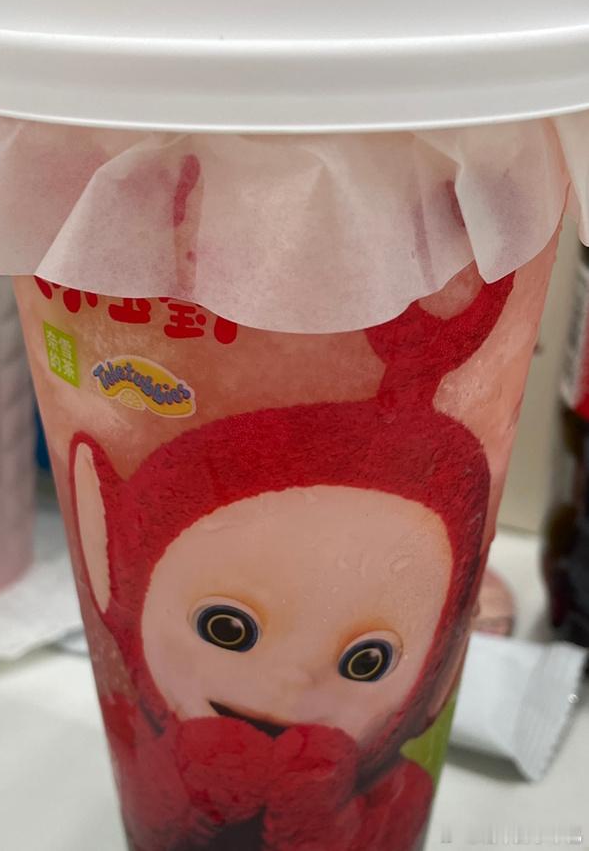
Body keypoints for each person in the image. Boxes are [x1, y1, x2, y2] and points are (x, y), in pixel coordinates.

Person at [71, 273, 513, 850]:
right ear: (111, 567)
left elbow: (393, 826)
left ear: (439, 675)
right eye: (226, 628)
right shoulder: (133, 725)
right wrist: (176, 787)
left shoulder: (392, 787)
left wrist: (325, 819)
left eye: (368, 662)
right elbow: (145, 796)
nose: (287, 687)